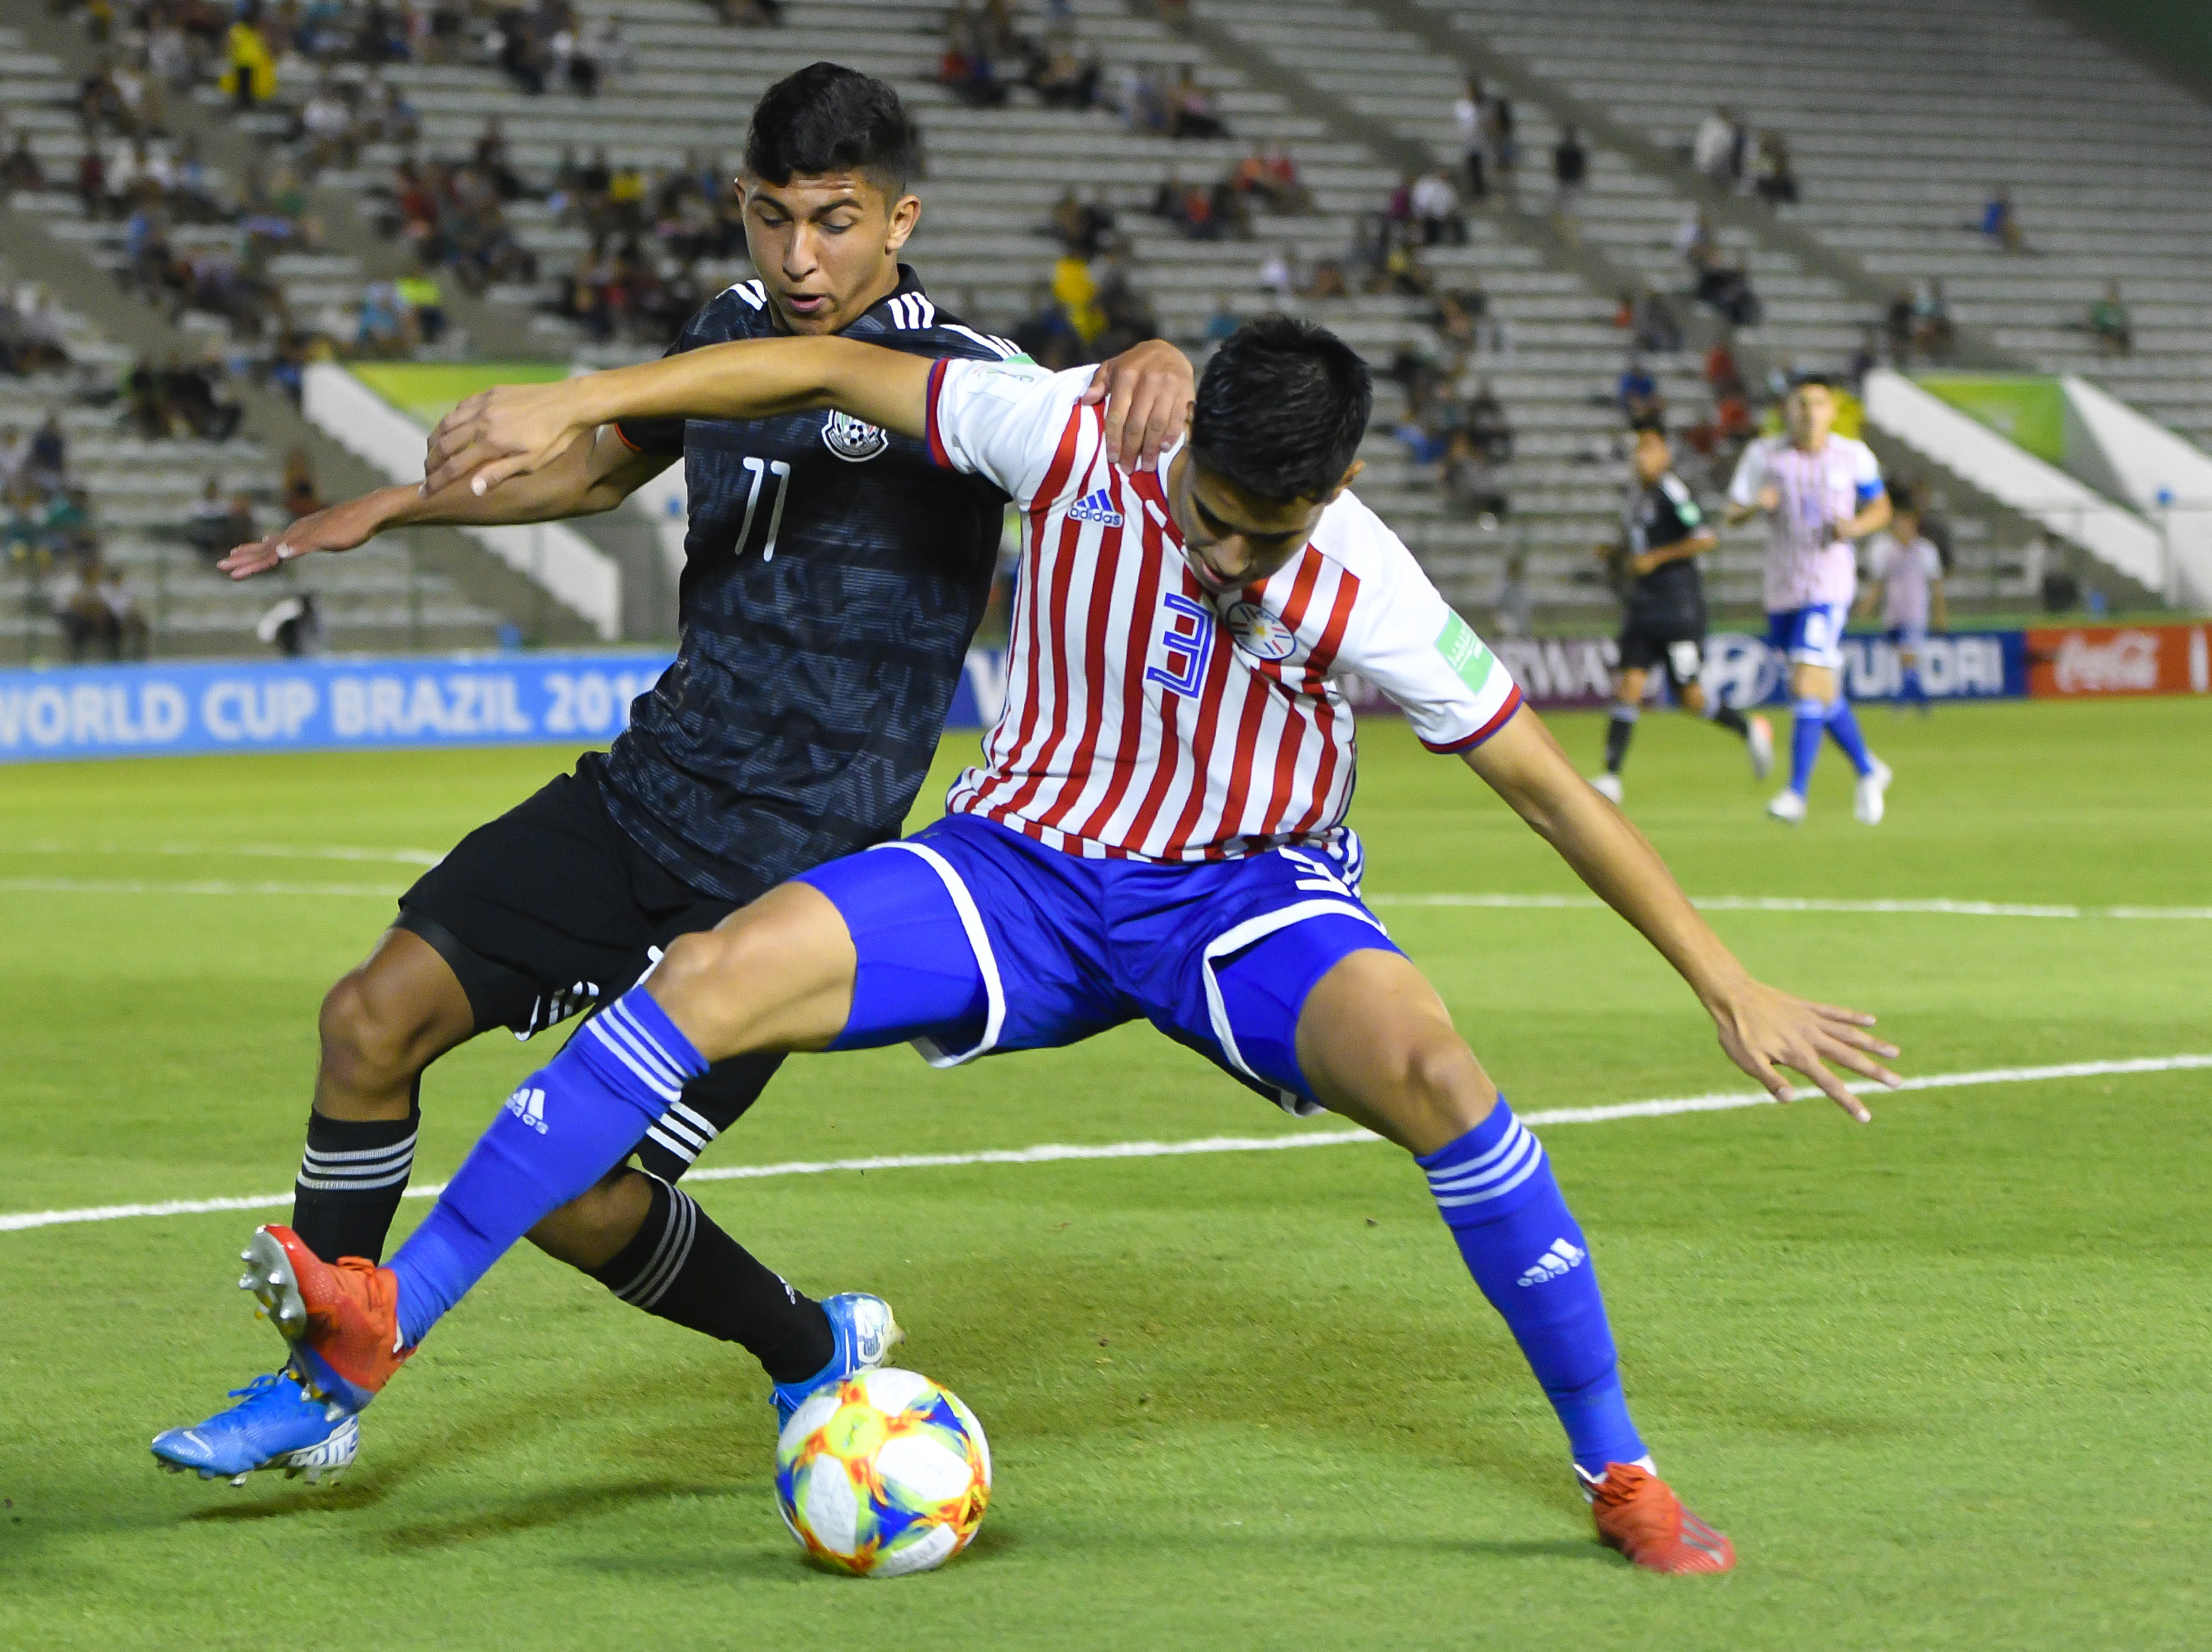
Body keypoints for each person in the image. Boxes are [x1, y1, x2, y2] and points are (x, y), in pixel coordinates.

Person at [242, 315, 1903, 1576]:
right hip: (1025, 863)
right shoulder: (1071, 433)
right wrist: (582, 398)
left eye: (1273, 531)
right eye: (1214, 515)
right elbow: (821, 360)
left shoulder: (1374, 589)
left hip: (1250, 897)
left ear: (1332, 495)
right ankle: (387, 1315)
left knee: (1442, 1076)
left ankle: (1617, 1467)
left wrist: (1726, 978)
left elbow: (1552, 793)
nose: (1230, 554)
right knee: (713, 974)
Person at [149, 62, 1194, 1487]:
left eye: (834, 221)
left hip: (798, 875)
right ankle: (320, 1383)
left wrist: (1164, 354)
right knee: (369, 1019)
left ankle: (807, 1350)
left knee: (587, 1200)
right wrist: (392, 508)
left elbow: (1111, 421)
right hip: (649, 793)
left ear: (901, 220)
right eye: (772, 219)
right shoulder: (718, 339)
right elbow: (590, 474)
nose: (799, 257)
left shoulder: (966, 380)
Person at [1725, 377, 1894, 824]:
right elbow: (1731, 512)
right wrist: (1754, 507)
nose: (1809, 411)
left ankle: (1796, 793)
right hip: (1782, 588)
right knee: (1818, 689)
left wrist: (1854, 528)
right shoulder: (1763, 455)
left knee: (1804, 682)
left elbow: (1882, 508)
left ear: (1832, 411)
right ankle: (1867, 768)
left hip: (1828, 585)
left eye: (1818, 403)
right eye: (1801, 403)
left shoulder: (1853, 455)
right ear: (1788, 410)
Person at [1588, 419, 1773, 805]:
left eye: (1650, 449)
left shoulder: (1673, 491)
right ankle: (1610, 777)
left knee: (1689, 697)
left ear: (1666, 455)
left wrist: (1658, 557)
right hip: (1643, 607)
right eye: (1639, 450)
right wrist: (1618, 553)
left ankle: (1748, 728)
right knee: (1629, 688)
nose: (1642, 457)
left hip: (1678, 609)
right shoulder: (1635, 498)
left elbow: (1705, 538)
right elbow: (1640, 545)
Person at [1861, 501, 1946, 714]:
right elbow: (1878, 583)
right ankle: (1922, 701)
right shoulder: (1886, 551)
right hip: (1893, 613)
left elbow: (1935, 586)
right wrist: (1867, 606)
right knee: (1904, 660)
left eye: (1906, 525)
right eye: (1899, 525)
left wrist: (1940, 614)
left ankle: (1899, 704)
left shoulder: (1926, 551)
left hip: (1916, 612)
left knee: (1908, 656)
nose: (1902, 529)